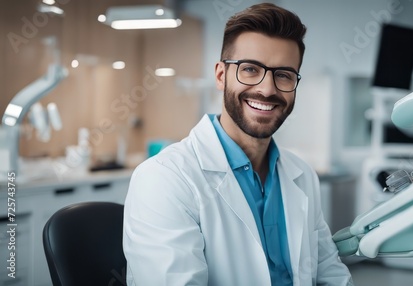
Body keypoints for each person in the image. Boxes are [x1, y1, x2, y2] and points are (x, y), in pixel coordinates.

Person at [123, 3, 354, 285]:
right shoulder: (163, 178)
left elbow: (329, 273)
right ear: (221, 75)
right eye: (250, 69)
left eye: (283, 75)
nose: (267, 89)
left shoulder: (302, 175)